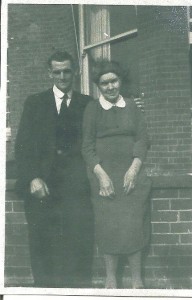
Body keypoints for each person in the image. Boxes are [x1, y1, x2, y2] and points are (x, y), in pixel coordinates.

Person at [15, 51, 94, 288]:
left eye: (67, 71)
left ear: (75, 72)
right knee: (42, 246)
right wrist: (32, 178)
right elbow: (23, 145)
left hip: (76, 190)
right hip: (42, 188)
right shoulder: (35, 102)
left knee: (78, 247)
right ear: (49, 73)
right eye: (57, 72)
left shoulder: (87, 103)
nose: (62, 76)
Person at [82, 60, 152, 289]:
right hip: (104, 177)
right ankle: (110, 279)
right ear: (98, 86)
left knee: (133, 224)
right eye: (105, 83)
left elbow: (142, 140)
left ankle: (136, 280)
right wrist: (101, 175)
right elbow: (87, 147)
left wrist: (134, 169)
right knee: (107, 225)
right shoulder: (92, 109)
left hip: (130, 175)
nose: (110, 87)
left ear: (120, 81)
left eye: (114, 81)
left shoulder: (131, 106)